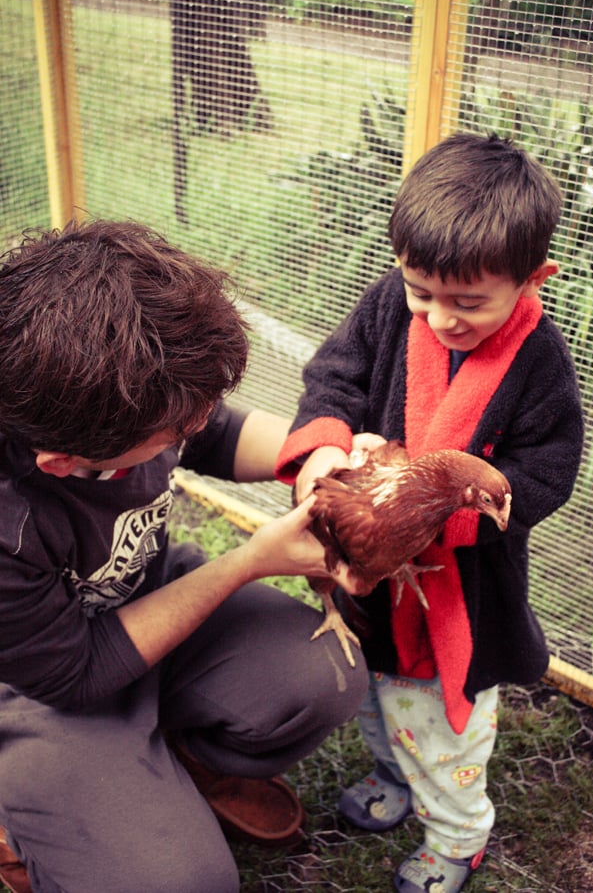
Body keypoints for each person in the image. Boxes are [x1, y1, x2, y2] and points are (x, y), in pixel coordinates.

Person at [0, 219, 369, 893]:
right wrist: (249, 560)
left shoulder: (118, 396)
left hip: (141, 601)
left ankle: (172, 766)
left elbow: (216, 430)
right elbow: (74, 674)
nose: (196, 426)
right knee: (182, 884)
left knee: (327, 674)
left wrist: (316, 457)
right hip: (36, 690)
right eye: (174, 429)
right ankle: (34, 815)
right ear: (60, 462)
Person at [275, 133, 584, 893]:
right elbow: (333, 381)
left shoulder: (540, 362)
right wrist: (324, 446)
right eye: (422, 291)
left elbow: (548, 469)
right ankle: (393, 777)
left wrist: (431, 511)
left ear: (531, 278)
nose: (440, 316)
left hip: (463, 591)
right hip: (373, 572)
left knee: (446, 732)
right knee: (377, 696)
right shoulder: (388, 306)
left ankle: (457, 835)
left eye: (469, 301)